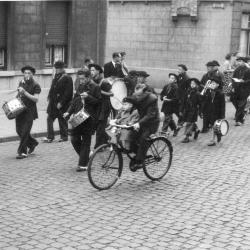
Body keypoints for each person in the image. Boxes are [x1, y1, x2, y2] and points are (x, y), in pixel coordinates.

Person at [63, 69, 101, 171]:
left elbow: (98, 102)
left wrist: (88, 97)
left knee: (86, 141)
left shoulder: (95, 87)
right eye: (80, 79)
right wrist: (68, 112)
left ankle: (83, 164)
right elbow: (75, 100)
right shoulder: (80, 86)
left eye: (83, 79)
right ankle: (86, 156)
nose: (81, 81)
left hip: (89, 117)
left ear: (89, 77)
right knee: (74, 138)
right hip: (79, 116)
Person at [123, 83, 160, 170]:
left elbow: (150, 115)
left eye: (139, 95)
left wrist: (139, 123)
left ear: (144, 92)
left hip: (152, 123)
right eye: (136, 94)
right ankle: (141, 154)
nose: (137, 96)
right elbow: (131, 107)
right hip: (140, 121)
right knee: (131, 135)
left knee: (143, 138)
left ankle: (139, 161)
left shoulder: (152, 99)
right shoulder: (136, 96)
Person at [15, 65, 41, 159]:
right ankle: (33, 143)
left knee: (25, 132)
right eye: (25, 73)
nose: (26, 74)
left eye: (29, 73)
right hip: (19, 110)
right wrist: (12, 103)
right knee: (19, 131)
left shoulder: (36, 85)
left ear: (33, 74)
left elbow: (36, 99)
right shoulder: (21, 82)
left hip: (29, 111)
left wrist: (25, 92)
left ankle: (22, 152)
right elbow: (18, 96)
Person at [43, 61, 73, 143]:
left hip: (61, 103)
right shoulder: (56, 76)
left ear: (63, 68)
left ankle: (64, 136)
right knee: (49, 118)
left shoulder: (67, 77)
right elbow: (53, 87)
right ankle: (50, 136)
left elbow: (68, 92)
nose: (57, 70)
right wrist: (49, 95)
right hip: (53, 102)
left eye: (58, 68)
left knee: (62, 119)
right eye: (56, 68)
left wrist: (61, 102)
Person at [201, 77, 225, 146]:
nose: (212, 85)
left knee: (214, 126)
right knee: (212, 126)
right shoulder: (208, 91)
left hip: (216, 113)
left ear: (217, 85)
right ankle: (218, 135)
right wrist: (202, 111)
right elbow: (204, 101)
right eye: (211, 83)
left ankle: (212, 140)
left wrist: (222, 115)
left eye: (214, 84)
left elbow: (222, 105)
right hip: (208, 112)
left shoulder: (220, 93)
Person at [94, 79, 113, 149]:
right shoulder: (94, 82)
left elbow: (112, 94)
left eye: (93, 70)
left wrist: (101, 91)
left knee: (100, 129)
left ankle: (98, 147)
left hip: (104, 108)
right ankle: (108, 139)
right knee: (99, 128)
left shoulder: (104, 82)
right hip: (99, 108)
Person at [180, 78, 201, 143]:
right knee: (191, 122)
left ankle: (187, 137)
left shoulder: (197, 93)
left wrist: (200, 112)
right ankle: (196, 130)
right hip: (187, 109)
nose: (192, 85)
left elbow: (200, 103)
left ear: (196, 85)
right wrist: (181, 109)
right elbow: (183, 101)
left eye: (194, 84)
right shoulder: (187, 91)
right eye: (191, 83)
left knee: (189, 123)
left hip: (193, 110)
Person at [231, 56, 249, 125]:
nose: (238, 63)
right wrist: (232, 87)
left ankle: (238, 120)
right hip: (237, 89)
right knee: (233, 100)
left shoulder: (248, 70)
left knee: (241, 105)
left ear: (244, 62)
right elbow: (233, 78)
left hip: (245, 90)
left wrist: (243, 81)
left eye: (240, 61)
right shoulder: (237, 69)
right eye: (238, 61)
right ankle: (242, 114)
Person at [177, 64, 189, 128]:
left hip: (184, 96)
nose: (178, 70)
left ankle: (181, 122)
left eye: (180, 69)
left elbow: (187, 88)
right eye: (178, 69)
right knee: (180, 109)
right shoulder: (179, 76)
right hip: (179, 96)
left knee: (182, 109)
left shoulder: (186, 78)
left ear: (184, 70)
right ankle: (181, 121)